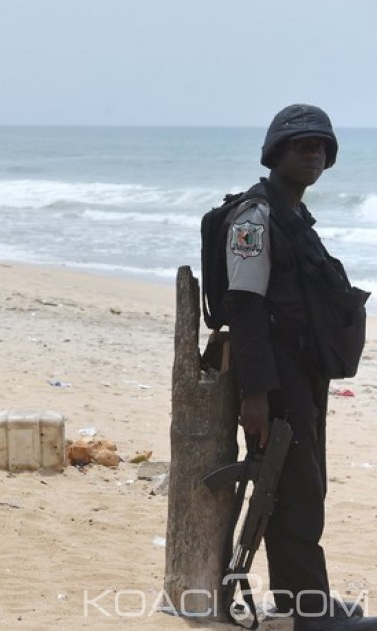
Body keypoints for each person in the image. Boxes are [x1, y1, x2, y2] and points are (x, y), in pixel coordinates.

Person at [225, 104, 376, 630]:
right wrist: (256, 394)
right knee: (292, 490)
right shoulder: (255, 217)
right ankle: (311, 615)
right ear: (275, 153)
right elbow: (244, 308)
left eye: (320, 147)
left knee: (304, 485)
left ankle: (305, 601)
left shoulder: (292, 216)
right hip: (276, 377)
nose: (312, 154)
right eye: (301, 145)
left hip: (302, 373)